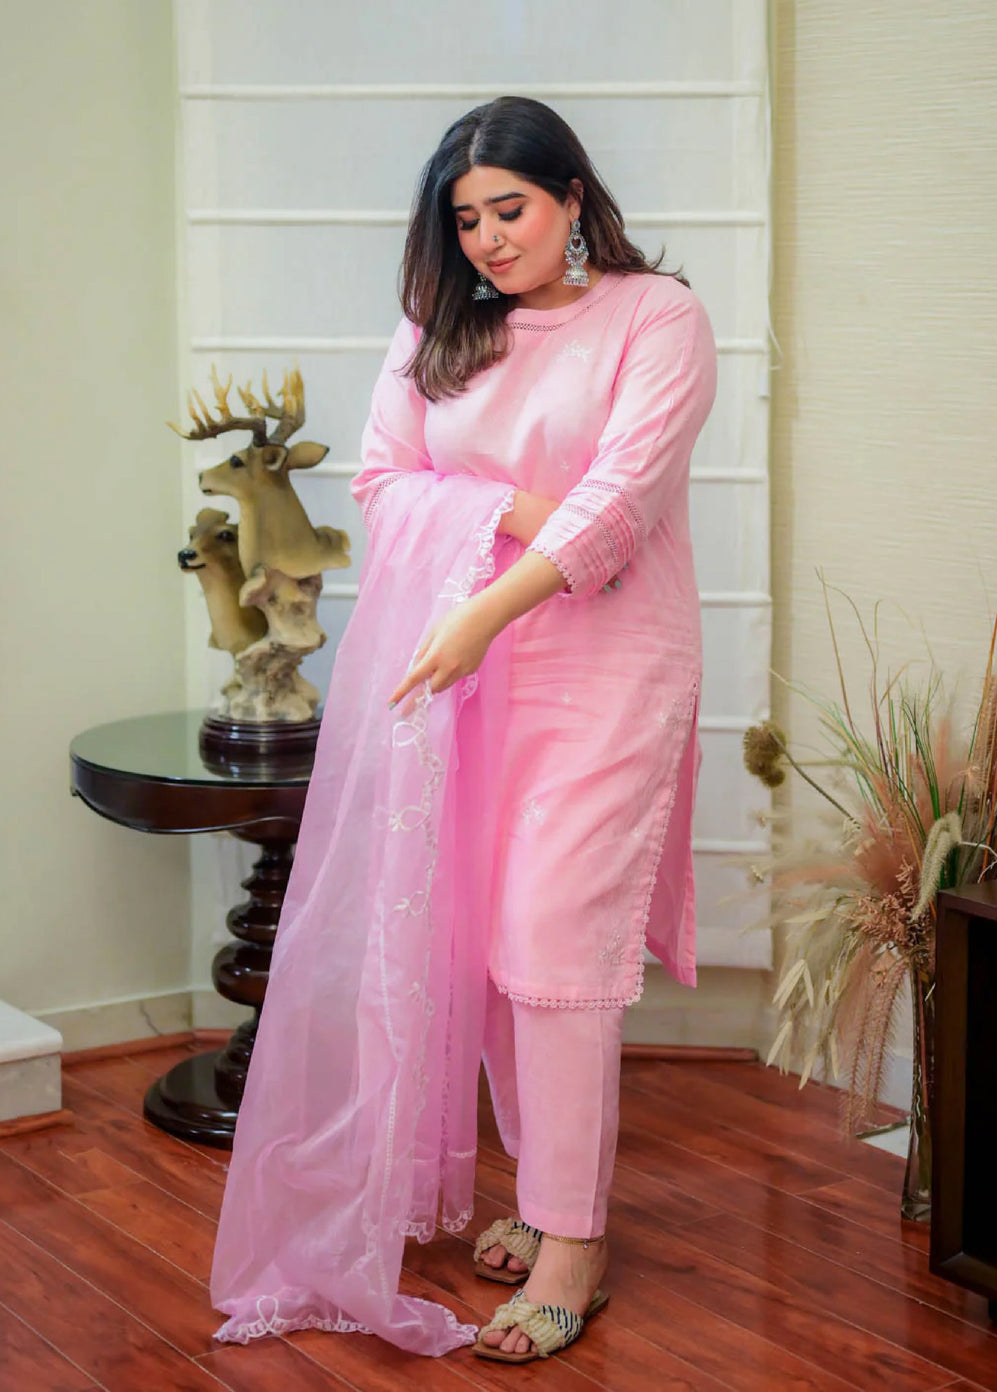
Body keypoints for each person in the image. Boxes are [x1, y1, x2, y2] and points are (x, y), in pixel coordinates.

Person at [209, 95, 717, 1366]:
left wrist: (488, 597)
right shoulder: (438, 326)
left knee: (554, 940)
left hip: (601, 663)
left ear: (571, 198)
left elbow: (624, 503)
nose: (490, 238)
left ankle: (573, 1245)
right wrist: (518, 516)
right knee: (486, 943)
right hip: (467, 672)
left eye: (512, 208)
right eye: (468, 218)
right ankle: (543, 1196)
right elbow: (384, 485)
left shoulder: (654, 317)